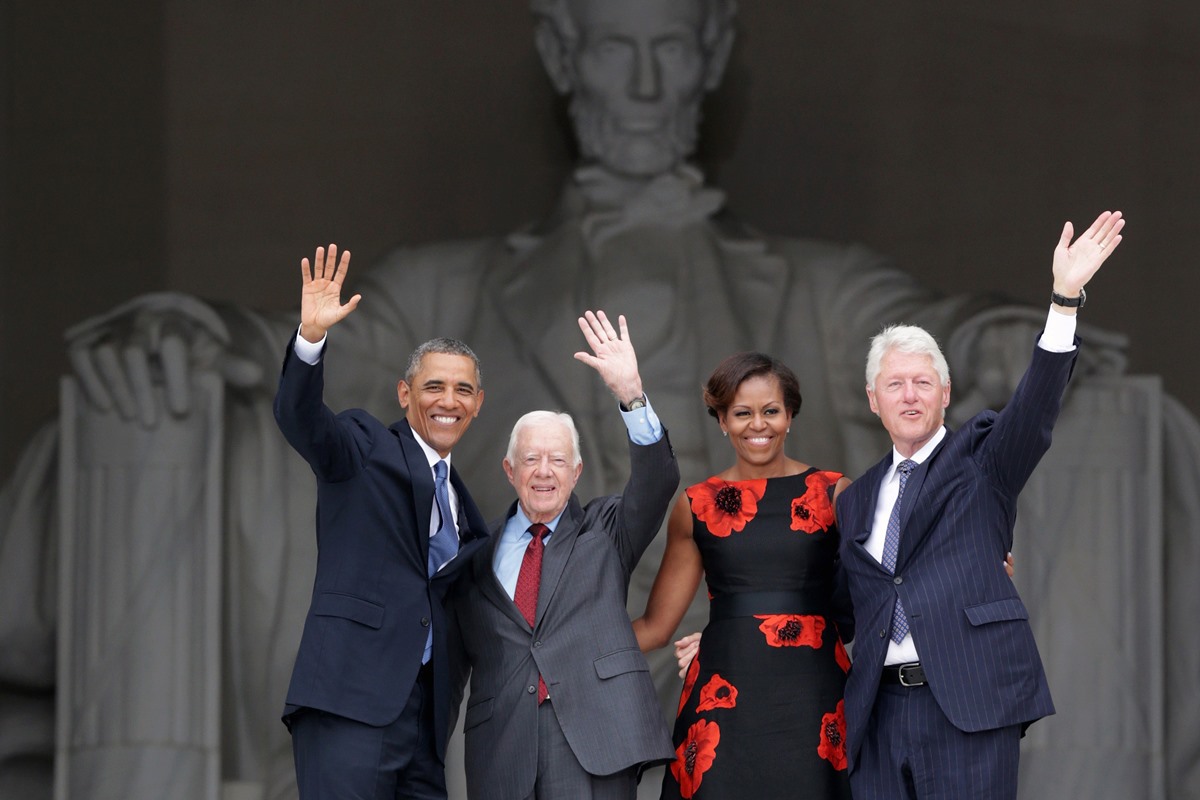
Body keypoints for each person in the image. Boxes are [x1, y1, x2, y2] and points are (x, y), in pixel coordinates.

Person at [4, 1, 1197, 797]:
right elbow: (305, 368)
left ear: (713, 55)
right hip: (553, 668)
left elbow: (945, 345)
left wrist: (1029, 322)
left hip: (771, 688)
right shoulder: (444, 282)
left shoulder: (829, 289)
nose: (642, 78)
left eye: (669, 44)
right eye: (614, 45)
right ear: (564, 56)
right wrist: (200, 332)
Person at [834, 211, 1125, 800]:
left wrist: (1064, 299)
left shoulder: (982, 461)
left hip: (966, 703)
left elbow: (1035, 410)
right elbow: (840, 607)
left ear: (945, 393)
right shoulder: (856, 496)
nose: (909, 395)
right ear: (873, 400)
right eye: (895, 385)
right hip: (879, 712)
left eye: (923, 382)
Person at [273, 244, 489, 799]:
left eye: (462, 389)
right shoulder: (366, 446)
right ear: (404, 394)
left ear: (478, 403)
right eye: (433, 386)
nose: (449, 400)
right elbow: (301, 419)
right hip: (349, 700)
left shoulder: (468, 510)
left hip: (425, 721)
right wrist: (311, 339)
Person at [447, 310, 677, 799]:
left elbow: (657, 482)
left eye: (557, 460)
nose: (544, 471)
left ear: (576, 472)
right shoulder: (473, 553)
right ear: (510, 470)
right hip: (502, 747)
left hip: (593, 740)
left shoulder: (605, 530)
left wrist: (631, 394)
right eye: (531, 458)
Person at [632, 351, 854, 799]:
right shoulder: (695, 503)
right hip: (724, 699)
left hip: (815, 697)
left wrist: (979, 567)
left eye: (771, 411)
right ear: (721, 420)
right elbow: (656, 628)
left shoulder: (834, 492)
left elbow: (881, 587)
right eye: (742, 413)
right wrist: (569, 651)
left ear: (790, 415)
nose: (758, 425)